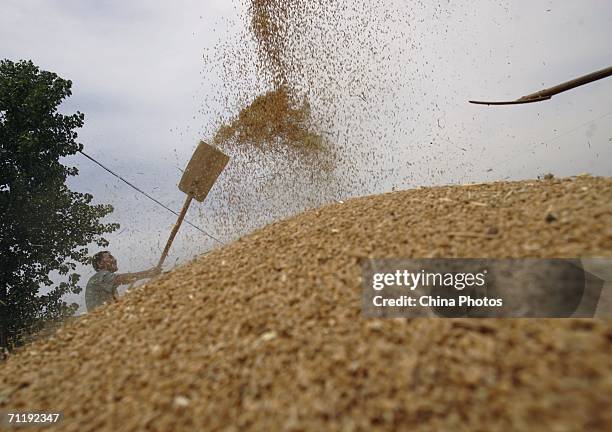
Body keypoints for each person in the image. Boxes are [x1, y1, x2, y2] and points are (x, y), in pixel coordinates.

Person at [85, 251, 161, 312]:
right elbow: (122, 279)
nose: (115, 260)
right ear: (100, 263)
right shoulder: (100, 276)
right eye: (110, 257)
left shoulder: (107, 283)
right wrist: (148, 273)